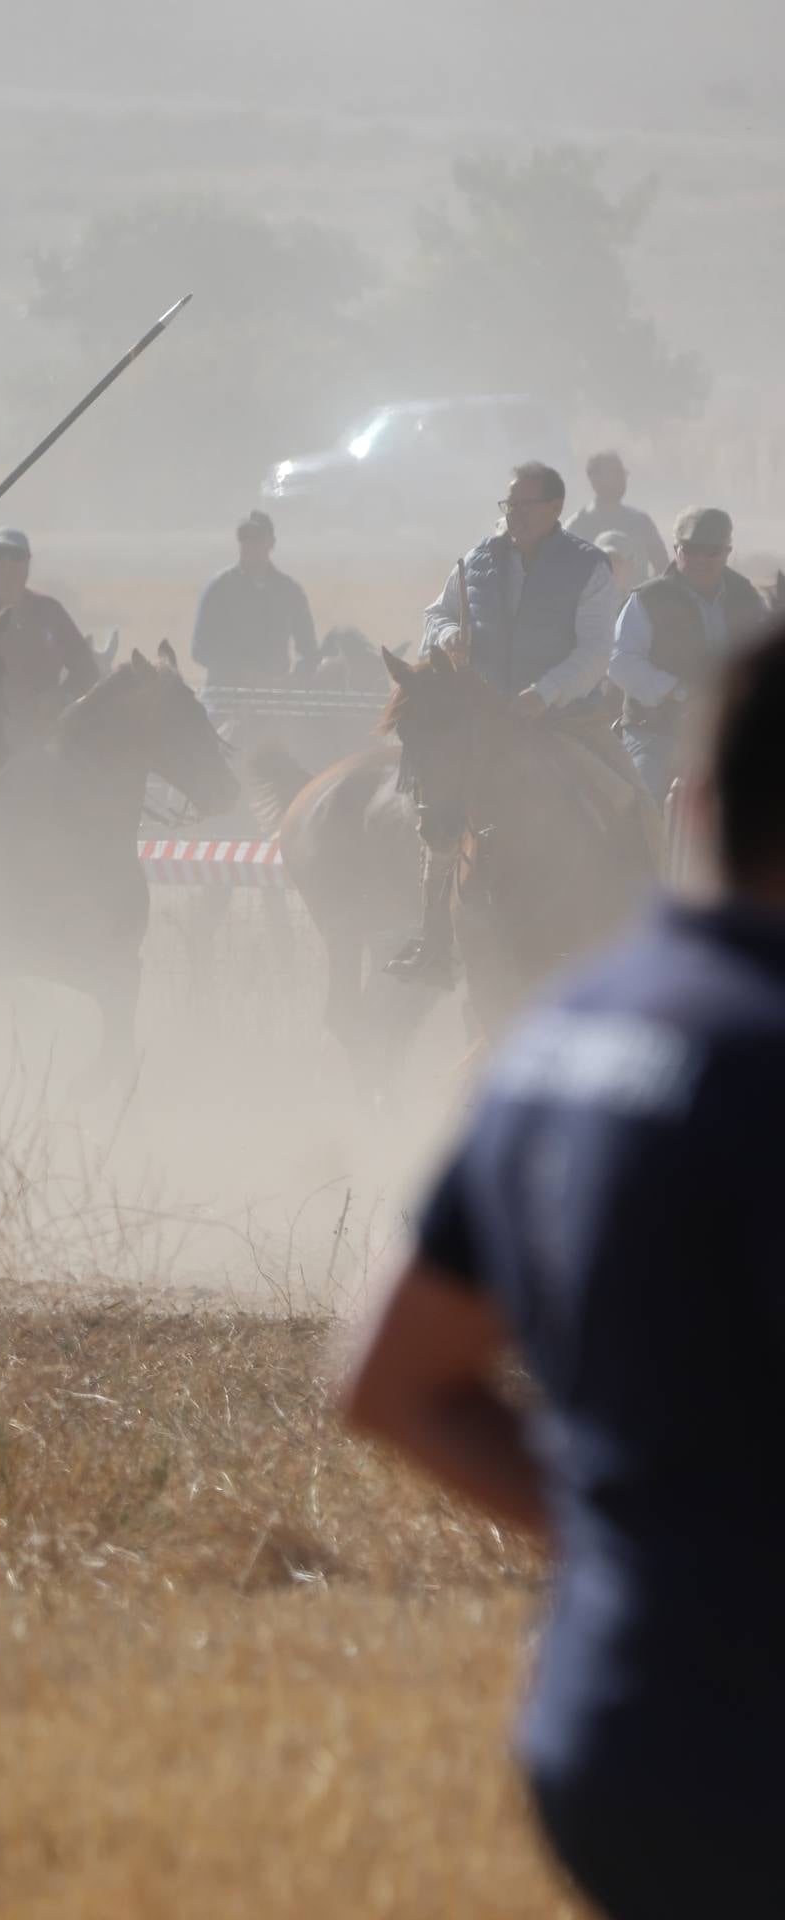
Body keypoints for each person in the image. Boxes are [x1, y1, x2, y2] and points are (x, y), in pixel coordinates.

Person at [333, 618, 785, 1919]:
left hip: (608, 1732)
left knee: (577, 784)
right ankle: (433, 924)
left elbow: (385, 1377)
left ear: (699, 808)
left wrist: (635, 1541)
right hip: (766, 1752)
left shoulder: (561, 1031)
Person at [393, 462, 625, 983]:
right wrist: (448, 632)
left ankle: (636, 920)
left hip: (565, 721)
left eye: (524, 505)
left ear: (555, 508)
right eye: (509, 505)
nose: (514, 515)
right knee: (445, 809)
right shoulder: (478, 558)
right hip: (485, 724)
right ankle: (433, 939)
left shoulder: (588, 567)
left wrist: (543, 695)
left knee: (633, 802)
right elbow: (435, 614)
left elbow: (595, 651)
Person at [609, 507, 767, 800]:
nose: (701, 559)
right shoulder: (646, 598)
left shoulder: (746, 597)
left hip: (732, 731)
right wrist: (681, 691)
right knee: (644, 800)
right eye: (692, 549)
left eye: (712, 551)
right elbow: (620, 662)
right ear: (676, 549)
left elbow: (766, 658)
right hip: (656, 731)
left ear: (727, 552)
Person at [0, 527, 96, 738]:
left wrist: (62, 697)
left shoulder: (49, 610)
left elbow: (87, 669)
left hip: (40, 737)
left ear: (28, 564)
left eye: (16, 556)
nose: (6, 564)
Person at [189, 510, 317, 687]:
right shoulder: (219, 589)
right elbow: (200, 649)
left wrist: (290, 682)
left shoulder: (290, 592)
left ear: (271, 543)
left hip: (275, 697)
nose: (249, 545)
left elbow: (309, 652)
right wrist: (239, 674)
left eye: (256, 539)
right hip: (224, 696)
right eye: (244, 539)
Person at [566, 450, 670, 586]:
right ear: (593, 478)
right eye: (614, 473)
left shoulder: (641, 522)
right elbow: (565, 576)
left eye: (622, 473)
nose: (621, 479)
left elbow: (663, 568)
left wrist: (646, 597)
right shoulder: (576, 527)